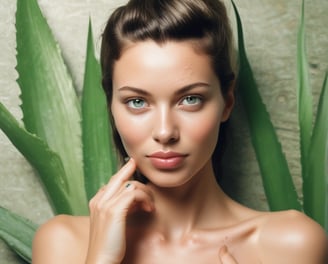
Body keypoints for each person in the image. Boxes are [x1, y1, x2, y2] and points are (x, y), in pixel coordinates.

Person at [32, 0, 328, 263]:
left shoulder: (290, 245)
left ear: (227, 102)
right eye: (137, 102)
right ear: (111, 105)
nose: (164, 132)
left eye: (190, 99)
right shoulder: (65, 243)